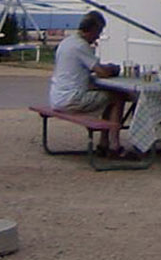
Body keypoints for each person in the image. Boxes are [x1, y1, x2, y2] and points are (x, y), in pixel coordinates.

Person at [49, 11, 129, 158]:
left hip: (57, 97)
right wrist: (112, 69)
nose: (98, 37)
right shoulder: (81, 46)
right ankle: (114, 145)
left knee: (108, 97)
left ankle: (104, 143)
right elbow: (101, 73)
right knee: (117, 98)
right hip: (71, 99)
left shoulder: (67, 42)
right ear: (92, 30)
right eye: (98, 32)